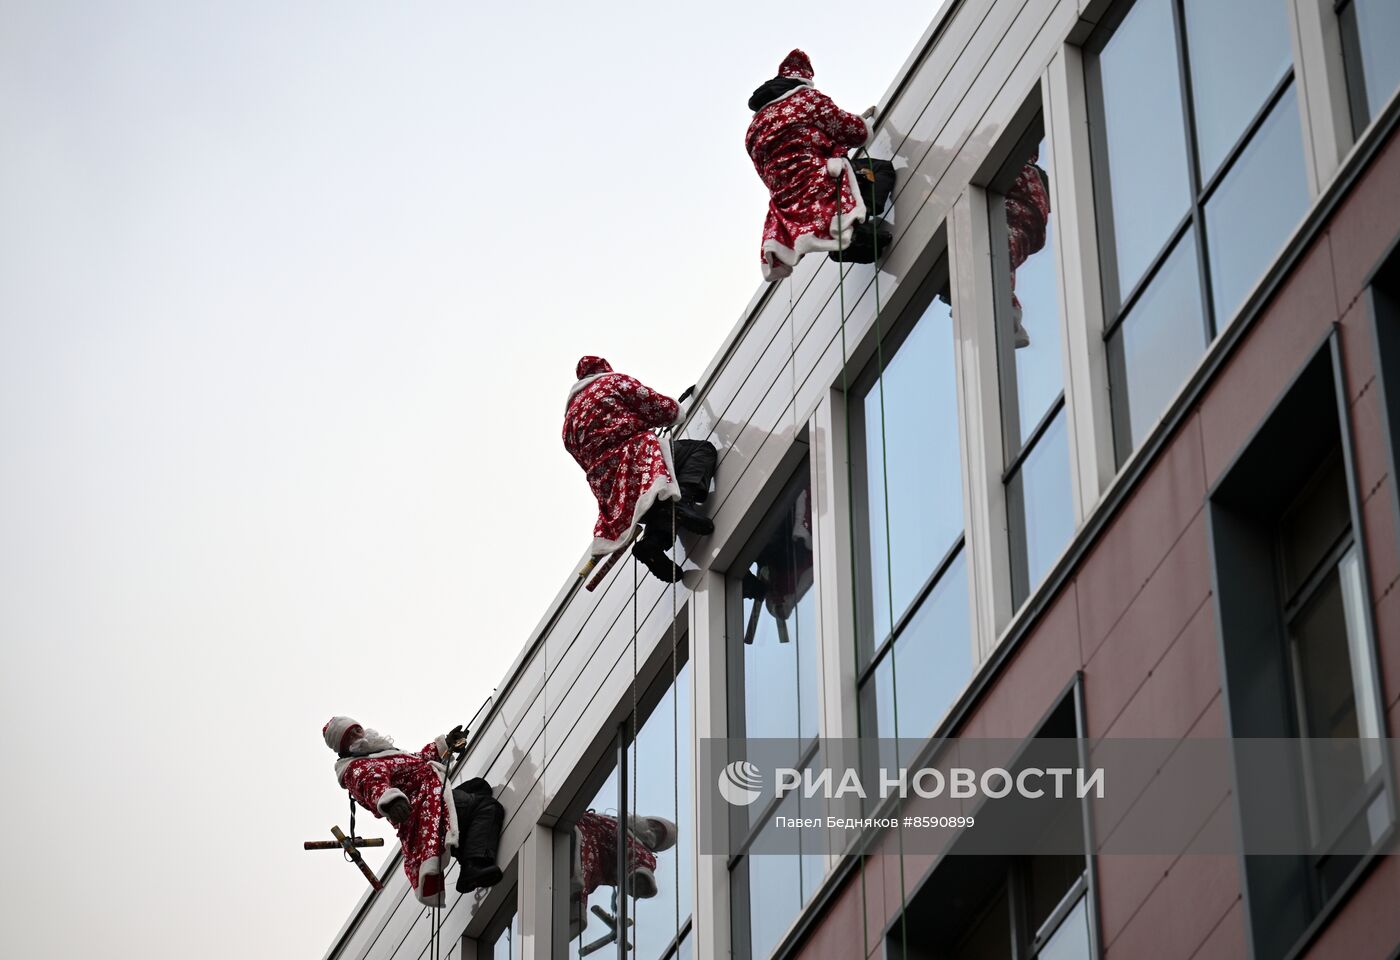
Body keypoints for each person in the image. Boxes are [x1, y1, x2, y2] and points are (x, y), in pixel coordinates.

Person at [563, 356, 718, 583]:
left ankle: (652, 545)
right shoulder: (612, 383)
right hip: (638, 461)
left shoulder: (568, 426)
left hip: (614, 493)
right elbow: (658, 408)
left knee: (657, 508)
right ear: (603, 369)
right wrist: (676, 410)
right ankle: (683, 504)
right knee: (701, 451)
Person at [746, 49, 894, 281]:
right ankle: (858, 225)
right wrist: (864, 125)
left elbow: (768, 173)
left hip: (787, 202)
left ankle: (851, 235)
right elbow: (852, 131)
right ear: (801, 81)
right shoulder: (805, 100)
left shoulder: (752, 133)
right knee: (880, 170)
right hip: (820, 181)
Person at [322, 716, 505, 903]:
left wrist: (445, 745)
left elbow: (418, 762)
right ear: (344, 747)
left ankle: (467, 847)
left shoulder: (379, 754)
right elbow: (372, 785)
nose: (356, 733)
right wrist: (391, 802)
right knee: (485, 807)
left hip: (431, 796)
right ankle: (473, 866)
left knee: (477, 787)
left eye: (356, 728)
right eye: (349, 735)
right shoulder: (358, 767)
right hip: (423, 809)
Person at [1003, 154, 1052, 348]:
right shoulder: (1029, 171)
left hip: (1018, 212)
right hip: (1025, 217)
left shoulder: (1020, 166)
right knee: (1004, 258)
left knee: (1001, 250)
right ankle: (1010, 316)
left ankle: (1009, 316)